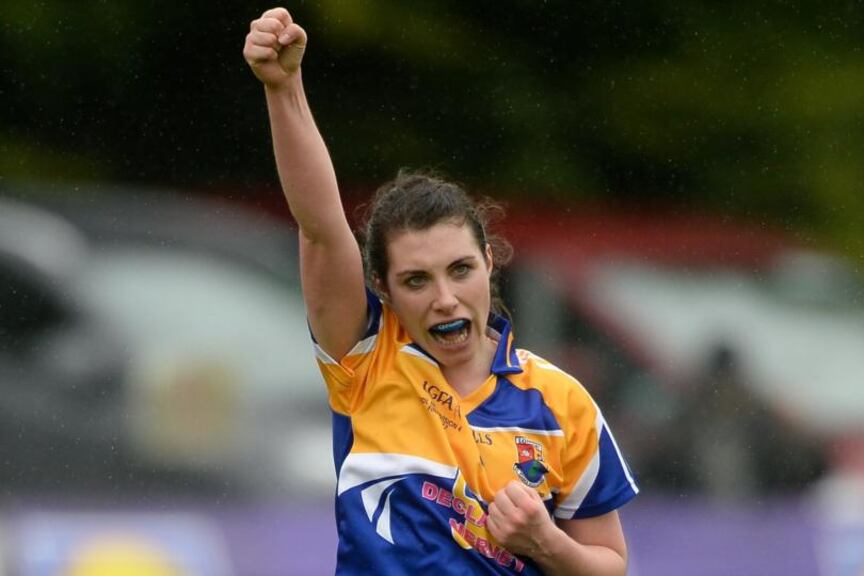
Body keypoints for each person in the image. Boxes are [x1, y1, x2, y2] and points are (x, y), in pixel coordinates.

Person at [243, 8, 638, 575]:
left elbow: (610, 565)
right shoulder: (368, 364)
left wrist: (544, 542)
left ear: (489, 263)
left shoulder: (561, 403)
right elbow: (320, 226)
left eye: (460, 270)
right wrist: (285, 89)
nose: (445, 298)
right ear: (383, 288)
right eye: (415, 281)